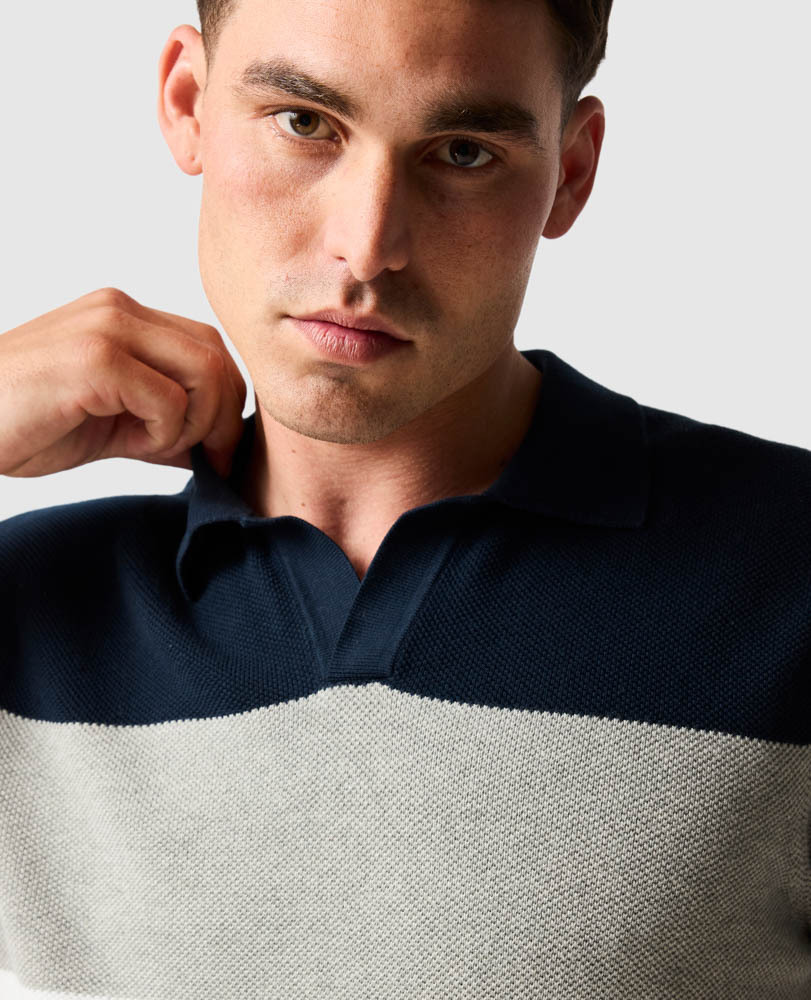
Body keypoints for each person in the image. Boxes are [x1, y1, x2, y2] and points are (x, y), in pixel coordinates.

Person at [0, 0, 808, 997]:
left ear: (571, 170)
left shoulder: (789, 575)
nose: (367, 244)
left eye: (463, 153)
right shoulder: (27, 607)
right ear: (187, 100)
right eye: (304, 122)